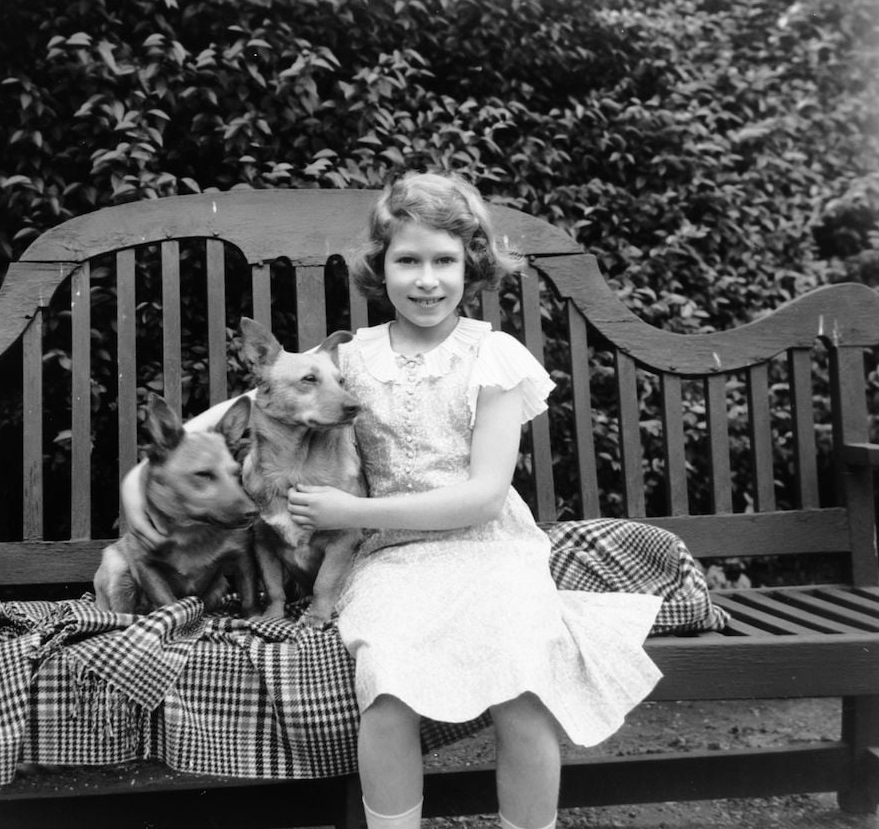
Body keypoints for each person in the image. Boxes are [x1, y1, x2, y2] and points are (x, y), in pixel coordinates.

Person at [121, 172, 663, 829]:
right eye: (408, 261)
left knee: (525, 687)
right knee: (386, 685)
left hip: (489, 550)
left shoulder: (493, 355)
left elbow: (485, 497)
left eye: (444, 261)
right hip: (390, 560)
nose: (427, 280)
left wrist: (353, 514)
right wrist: (136, 485)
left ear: (473, 264)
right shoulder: (352, 357)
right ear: (381, 267)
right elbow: (232, 413)